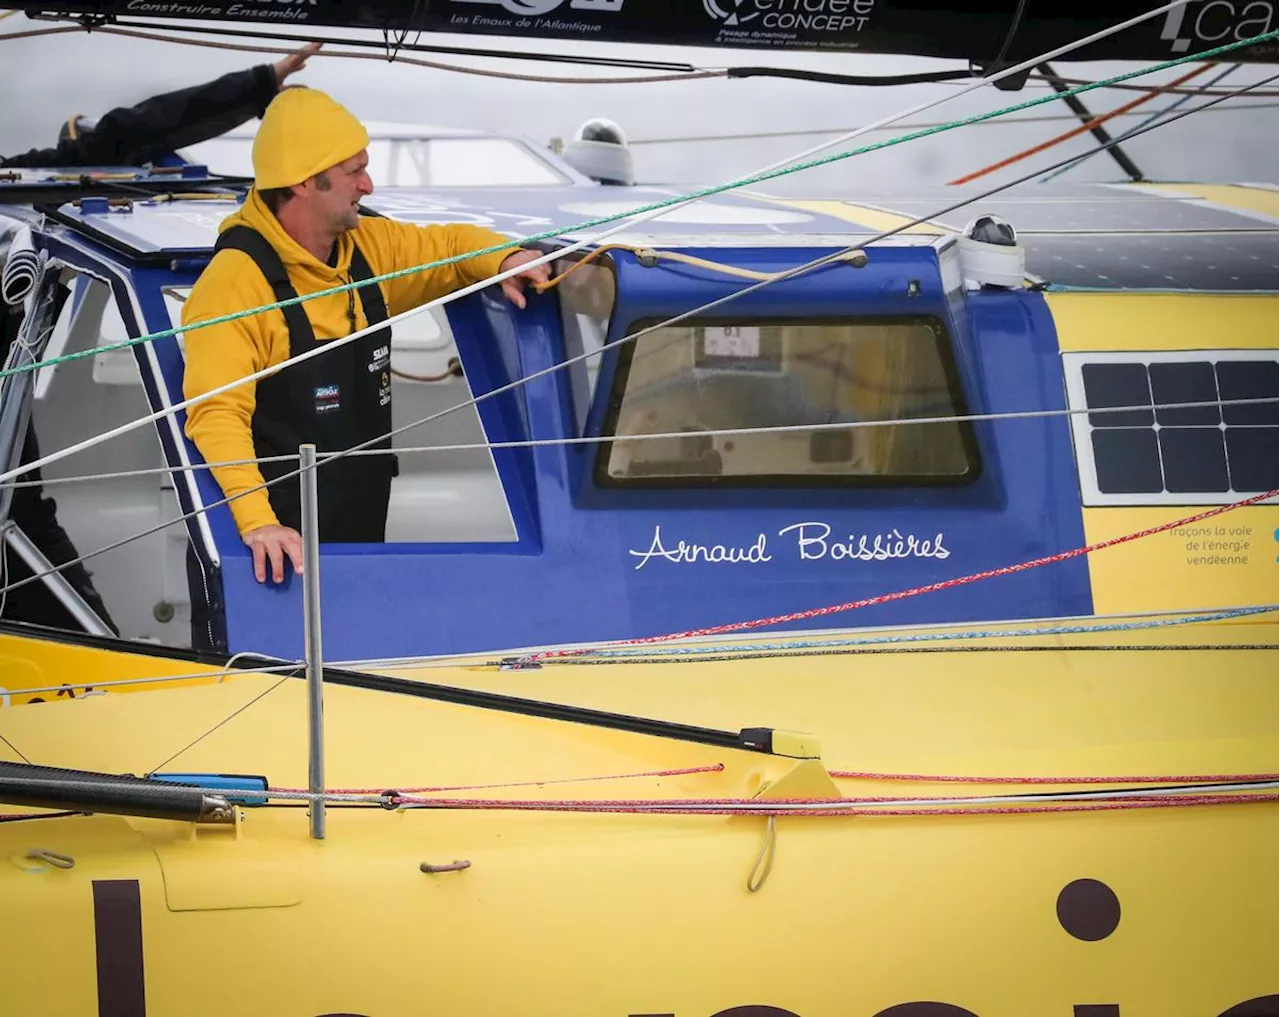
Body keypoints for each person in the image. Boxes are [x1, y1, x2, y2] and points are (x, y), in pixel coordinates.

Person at [0, 44, 323, 637]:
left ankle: (93, 664)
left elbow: (124, 138)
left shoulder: (19, 184)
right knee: (21, 520)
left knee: (23, 518)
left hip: (11, 461)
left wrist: (259, 82)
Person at [179, 87, 549, 604]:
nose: (368, 185)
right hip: (276, 555)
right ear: (307, 182)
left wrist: (506, 260)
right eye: (355, 171)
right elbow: (216, 415)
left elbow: (446, 248)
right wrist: (259, 523)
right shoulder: (233, 288)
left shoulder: (367, 248)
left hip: (364, 515)